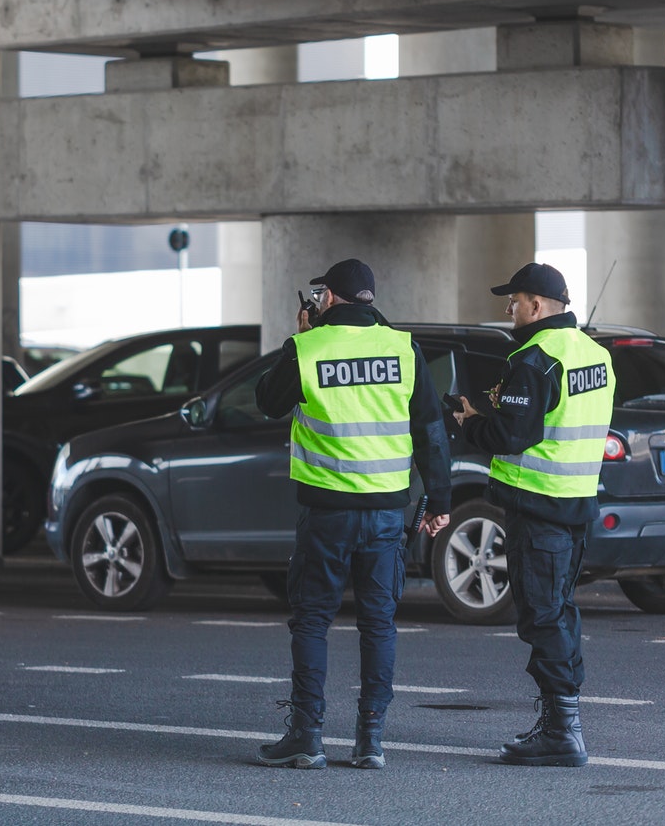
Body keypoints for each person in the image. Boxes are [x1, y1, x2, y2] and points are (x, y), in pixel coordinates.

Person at [253, 258, 452, 770]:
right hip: (387, 512)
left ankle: (307, 736)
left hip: (327, 513)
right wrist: (440, 502)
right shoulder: (402, 348)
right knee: (379, 624)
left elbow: (267, 402)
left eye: (321, 295)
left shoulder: (309, 347)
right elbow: (430, 432)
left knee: (313, 621)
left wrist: (295, 340)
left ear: (332, 298)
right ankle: (371, 741)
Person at [454, 262, 616, 768]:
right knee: (560, 611)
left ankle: (562, 733)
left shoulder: (534, 356)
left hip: (538, 505)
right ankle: (562, 722)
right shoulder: (596, 354)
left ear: (538, 306)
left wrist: (469, 424)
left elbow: (513, 436)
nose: (509, 308)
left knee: (542, 615)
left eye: (515, 300)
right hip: (575, 504)